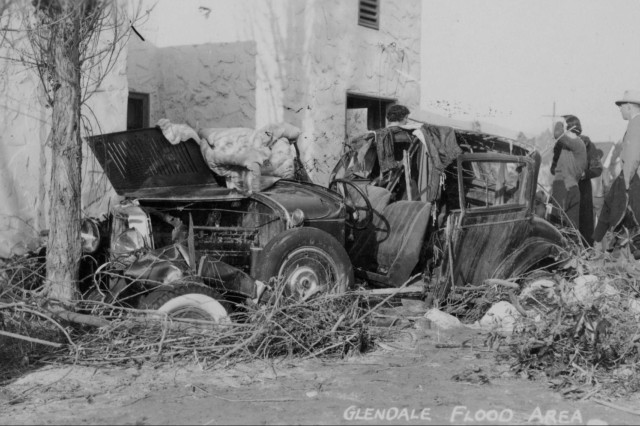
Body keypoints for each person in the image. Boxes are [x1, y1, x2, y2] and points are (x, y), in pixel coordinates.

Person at [594, 90, 640, 253]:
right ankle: (600, 242)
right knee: (611, 208)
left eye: (621, 106)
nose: (620, 109)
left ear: (629, 107)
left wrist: (626, 182)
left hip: (631, 177)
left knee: (616, 210)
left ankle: (600, 244)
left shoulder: (636, 124)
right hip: (630, 176)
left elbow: (633, 155)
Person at [549, 115, 588, 231]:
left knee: (556, 228)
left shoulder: (576, 143)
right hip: (573, 188)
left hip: (563, 187)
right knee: (571, 230)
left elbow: (557, 133)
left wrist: (560, 121)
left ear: (568, 128)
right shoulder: (576, 146)